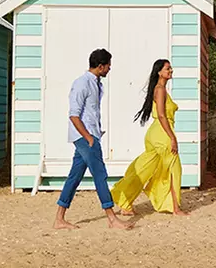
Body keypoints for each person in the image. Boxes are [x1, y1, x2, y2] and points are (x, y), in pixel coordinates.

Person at [53, 49, 132, 231]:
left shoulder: (96, 83)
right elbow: (74, 115)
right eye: (108, 66)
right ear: (100, 66)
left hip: (91, 135)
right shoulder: (81, 84)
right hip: (84, 137)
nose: (110, 69)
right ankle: (112, 219)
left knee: (74, 177)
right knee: (100, 174)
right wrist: (88, 137)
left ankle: (59, 219)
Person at [110, 58, 188, 217]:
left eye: (171, 68)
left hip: (156, 133)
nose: (170, 70)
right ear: (159, 72)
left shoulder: (161, 89)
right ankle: (176, 209)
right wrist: (172, 138)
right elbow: (161, 115)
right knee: (174, 169)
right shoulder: (159, 90)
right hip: (162, 134)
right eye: (167, 68)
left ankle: (124, 201)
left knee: (144, 168)